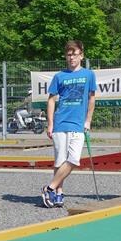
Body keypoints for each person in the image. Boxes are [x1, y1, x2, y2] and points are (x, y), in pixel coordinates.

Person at [41, 40, 97, 208]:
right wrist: (50, 123)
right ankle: (58, 193)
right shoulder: (59, 76)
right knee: (59, 161)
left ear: (81, 55)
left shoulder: (89, 75)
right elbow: (51, 100)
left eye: (75, 54)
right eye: (69, 54)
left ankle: (49, 188)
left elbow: (91, 98)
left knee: (73, 160)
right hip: (60, 123)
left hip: (78, 124)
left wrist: (88, 120)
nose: (72, 57)